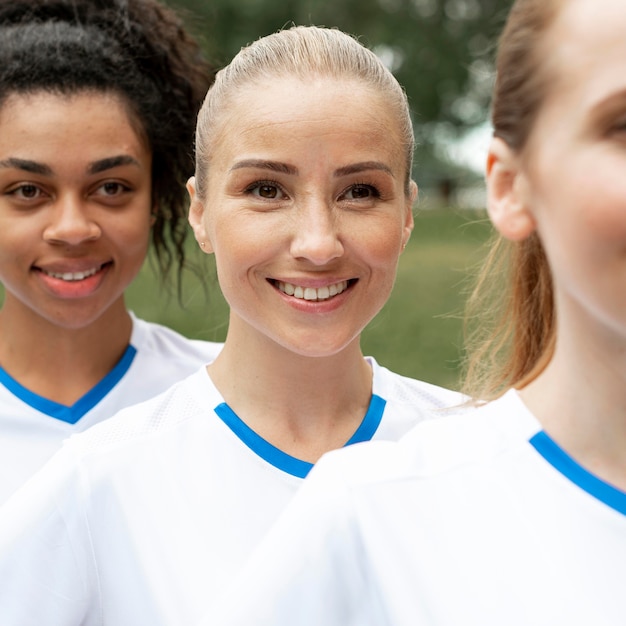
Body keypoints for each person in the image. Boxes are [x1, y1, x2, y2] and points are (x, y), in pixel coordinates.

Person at [0, 24, 462, 626]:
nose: (318, 243)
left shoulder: (481, 459)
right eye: (267, 189)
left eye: (360, 192)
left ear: (406, 213)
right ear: (200, 212)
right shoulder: (96, 483)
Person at [201, 1, 626, 624]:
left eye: (360, 191)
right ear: (510, 186)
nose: (317, 243)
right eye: (623, 127)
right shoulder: (375, 513)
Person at [0, 0, 221, 504]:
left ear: (158, 198)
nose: (73, 229)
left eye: (112, 187)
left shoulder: (227, 402)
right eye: (28, 191)